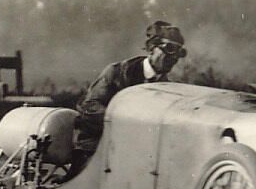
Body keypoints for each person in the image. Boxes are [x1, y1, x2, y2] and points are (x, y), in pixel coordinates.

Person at [76, 20, 187, 158]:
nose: (174, 57)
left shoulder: (168, 88)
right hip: (98, 147)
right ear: (151, 48)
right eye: (169, 49)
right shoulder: (117, 72)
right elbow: (90, 107)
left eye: (179, 53)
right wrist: (129, 122)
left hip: (137, 152)